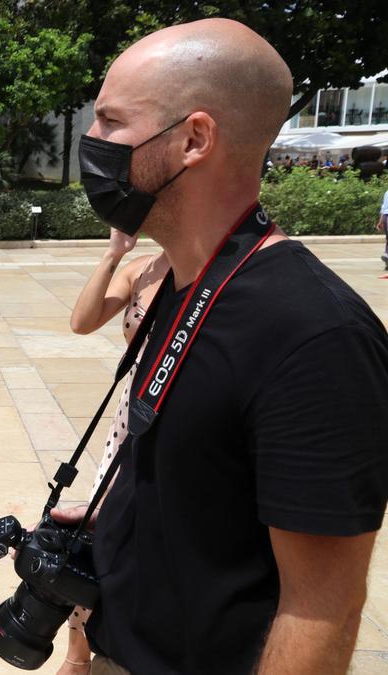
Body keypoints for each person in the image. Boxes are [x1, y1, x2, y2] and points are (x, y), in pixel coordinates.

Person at [56, 18, 388, 674]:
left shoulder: (314, 337)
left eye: (110, 122)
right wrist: (113, 523)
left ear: (194, 139)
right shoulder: (185, 282)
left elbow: (321, 612)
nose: (92, 143)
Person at [60, 227, 168, 673]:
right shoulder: (141, 271)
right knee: (98, 530)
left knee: (146, 535)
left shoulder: (214, 277)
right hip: (133, 415)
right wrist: (113, 253)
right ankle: (77, 649)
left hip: (179, 416)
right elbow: (82, 322)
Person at [377, 187, 387, 270]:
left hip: (385, 216)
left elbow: (383, 208)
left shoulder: (387, 192)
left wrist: (380, 221)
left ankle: (387, 255)